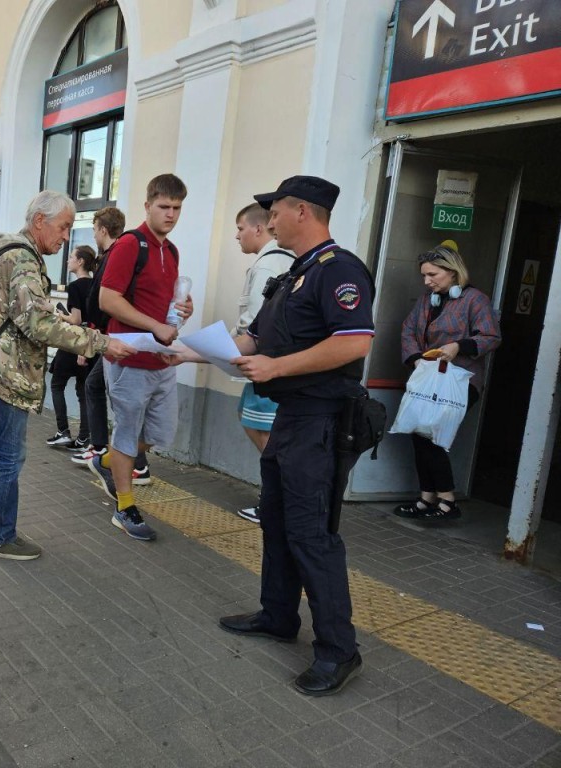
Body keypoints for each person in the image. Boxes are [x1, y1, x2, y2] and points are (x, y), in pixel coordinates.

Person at [215, 175, 373, 697]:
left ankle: (338, 650)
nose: (270, 219)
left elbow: (354, 341)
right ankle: (278, 614)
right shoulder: (290, 276)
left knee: (312, 535)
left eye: (276, 210)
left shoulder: (340, 270)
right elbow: (252, 336)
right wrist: (189, 350)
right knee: (278, 521)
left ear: (302, 211)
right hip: (291, 420)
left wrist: (278, 368)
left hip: (321, 422)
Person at [0, 190, 136, 561]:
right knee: (9, 455)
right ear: (39, 222)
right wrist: (99, 343)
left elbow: (23, 313)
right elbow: (36, 323)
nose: (67, 236)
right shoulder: (22, 258)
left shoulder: (13, 251)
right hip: (8, 373)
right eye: (64, 226)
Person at [88, 174, 194, 542]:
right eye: (164, 207)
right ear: (147, 205)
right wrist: (155, 327)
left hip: (161, 359)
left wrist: (181, 311)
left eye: (177, 208)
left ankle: (106, 461)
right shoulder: (131, 244)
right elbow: (108, 300)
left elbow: (161, 304)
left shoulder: (172, 250)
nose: (171, 214)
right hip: (128, 357)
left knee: (159, 433)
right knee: (129, 434)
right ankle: (124, 506)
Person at [393, 241, 501, 522]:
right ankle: (426, 498)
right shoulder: (427, 300)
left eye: (433, 275)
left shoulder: (475, 300)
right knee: (419, 433)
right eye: (424, 276)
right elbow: (408, 329)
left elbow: (491, 337)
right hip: (430, 378)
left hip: (461, 381)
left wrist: (459, 346)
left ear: (453, 273)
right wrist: (416, 358)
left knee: (433, 436)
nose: (427, 282)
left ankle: (447, 502)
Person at [70, 207, 153, 485]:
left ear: (103, 230)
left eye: (94, 229)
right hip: (110, 338)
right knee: (104, 392)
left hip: (115, 340)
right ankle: (106, 449)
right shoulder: (112, 255)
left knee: (118, 399)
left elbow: (106, 302)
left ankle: (125, 459)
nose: (93, 234)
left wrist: (94, 340)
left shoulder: (118, 254)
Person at [232, 203, 294, 523]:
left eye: (240, 228)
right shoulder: (279, 260)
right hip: (270, 362)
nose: (237, 235)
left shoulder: (269, 265)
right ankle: (277, 495)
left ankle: (277, 499)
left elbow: (256, 323)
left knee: (264, 432)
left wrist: (230, 346)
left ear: (258, 229)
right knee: (250, 420)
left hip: (265, 363)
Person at [46, 245, 97, 448]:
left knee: (57, 384)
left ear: (81, 261)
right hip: (90, 343)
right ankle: (84, 437)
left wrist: (57, 313)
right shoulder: (95, 284)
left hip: (73, 342)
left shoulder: (75, 287)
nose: (68, 260)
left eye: (72, 257)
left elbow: (76, 319)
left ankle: (63, 431)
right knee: (83, 390)